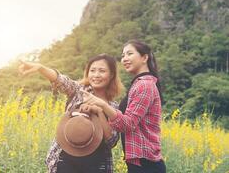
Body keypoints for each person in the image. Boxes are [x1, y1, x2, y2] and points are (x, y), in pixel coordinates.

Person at [18, 54, 123, 173]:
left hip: (97, 165)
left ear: (111, 75)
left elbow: (111, 141)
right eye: (92, 70)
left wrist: (99, 111)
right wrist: (41, 68)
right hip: (66, 161)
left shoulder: (113, 107)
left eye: (102, 71)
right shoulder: (79, 91)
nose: (96, 75)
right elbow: (61, 80)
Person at [81, 40, 166, 173]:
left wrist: (103, 105)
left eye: (129, 54)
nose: (125, 59)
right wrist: (98, 109)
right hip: (141, 162)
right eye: (123, 55)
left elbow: (127, 124)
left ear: (144, 58)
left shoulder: (144, 85)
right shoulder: (139, 84)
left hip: (145, 164)